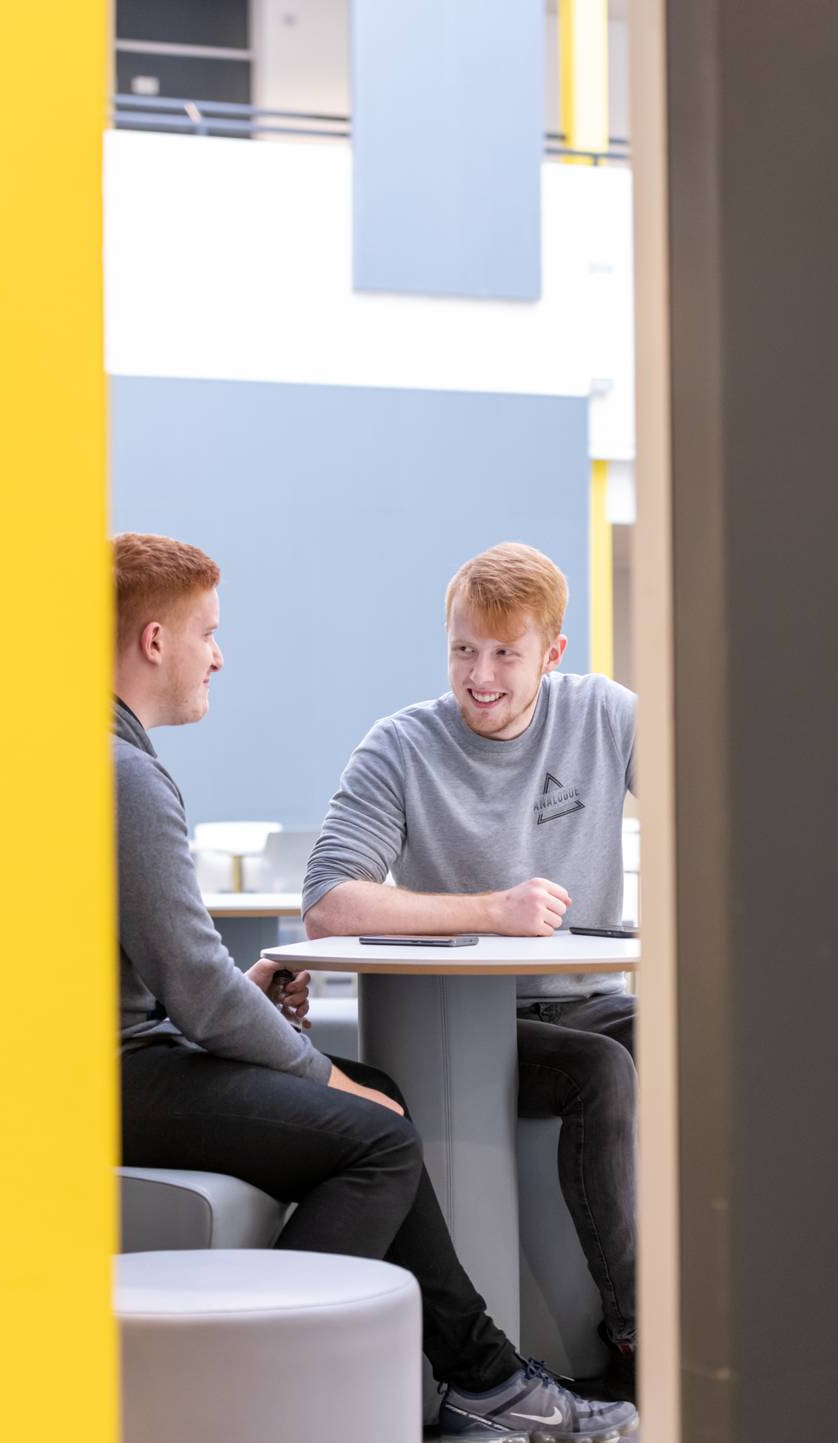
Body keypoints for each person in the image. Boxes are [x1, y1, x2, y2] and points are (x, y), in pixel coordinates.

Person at [113, 531, 638, 1443]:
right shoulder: (126, 775)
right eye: (209, 632)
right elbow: (210, 975)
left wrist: (261, 1017)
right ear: (155, 641)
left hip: (130, 1051)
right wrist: (318, 1073)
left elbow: (171, 978)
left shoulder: (108, 762)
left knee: (383, 1099)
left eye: (505, 654)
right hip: (115, 1071)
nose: (219, 655)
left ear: (551, 654)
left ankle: (479, 1381)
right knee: (382, 1134)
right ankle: (271, 1390)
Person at [303, 542, 639, 1396]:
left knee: (698, 1045)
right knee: (602, 1070)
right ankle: (640, 1335)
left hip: (592, 999)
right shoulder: (401, 745)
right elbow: (330, 901)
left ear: (552, 653)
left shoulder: (604, 715)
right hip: (471, 1024)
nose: (479, 676)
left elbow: (710, 798)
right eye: (462, 649)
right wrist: (492, 910)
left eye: (504, 653)